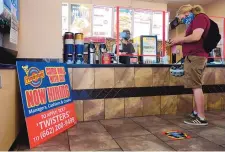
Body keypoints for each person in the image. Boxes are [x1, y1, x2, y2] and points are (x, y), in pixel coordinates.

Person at [170, 4, 210, 125]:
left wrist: (179, 40)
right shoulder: (196, 20)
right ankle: (196, 112)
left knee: (196, 86)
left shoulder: (200, 18)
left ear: (186, 13)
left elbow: (196, 37)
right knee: (196, 85)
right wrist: (179, 42)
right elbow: (194, 39)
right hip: (195, 56)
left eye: (181, 18)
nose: (182, 20)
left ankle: (201, 117)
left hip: (196, 57)